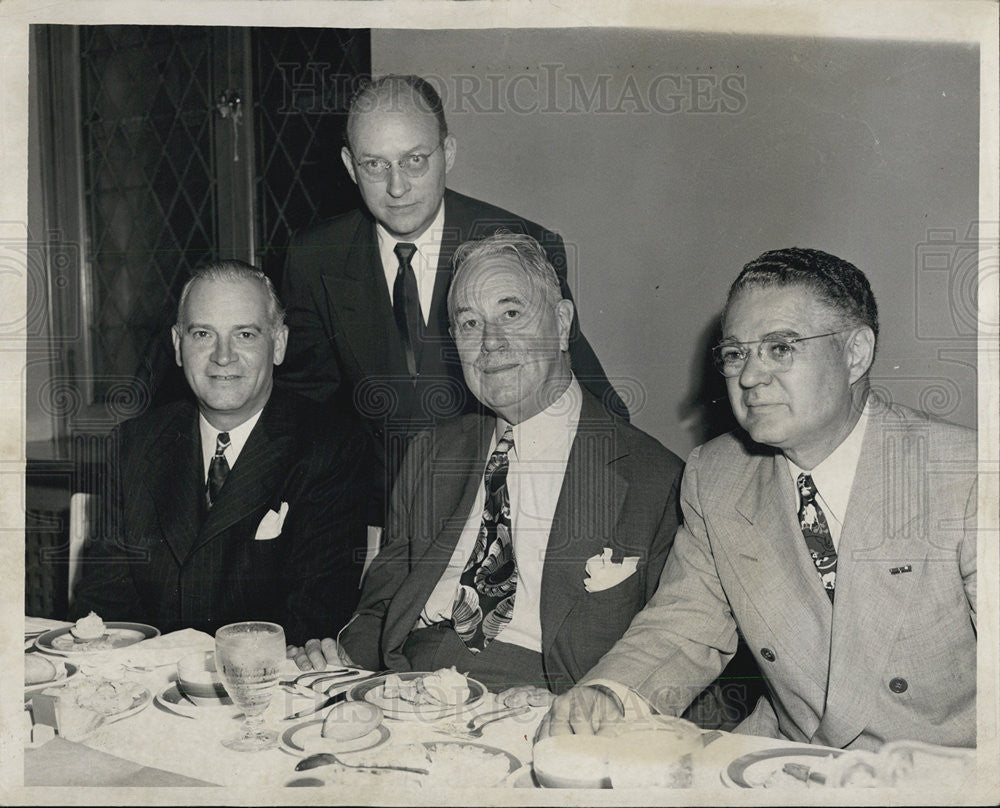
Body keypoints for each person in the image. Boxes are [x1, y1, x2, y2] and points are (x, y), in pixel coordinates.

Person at [537, 247, 977, 750]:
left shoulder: (965, 476)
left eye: (780, 348)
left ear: (855, 353)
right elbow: (686, 625)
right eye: (735, 353)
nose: (749, 377)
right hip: (789, 760)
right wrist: (613, 694)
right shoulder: (718, 474)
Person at [286, 233, 682, 695]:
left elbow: (673, 655)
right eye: (470, 323)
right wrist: (338, 656)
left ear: (561, 323)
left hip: (547, 702)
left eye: (511, 314)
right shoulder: (430, 455)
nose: (490, 344)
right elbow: (382, 606)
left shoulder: (655, 479)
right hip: (406, 688)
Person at [278, 74, 625, 526]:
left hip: (507, 510)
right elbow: (306, 412)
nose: (397, 187)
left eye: (415, 160)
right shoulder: (313, 258)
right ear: (348, 165)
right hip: (376, 520)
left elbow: (596, 401)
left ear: (449, 153)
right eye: (375, 165)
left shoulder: (520, 243)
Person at [70, 261, 369, 646]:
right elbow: (105, 611)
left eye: (245, 334)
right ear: (178, 345)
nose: (222, 356)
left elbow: (312, 623)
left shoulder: (330, 446)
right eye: (203, 334)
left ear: (278, 344)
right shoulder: (133, 444)